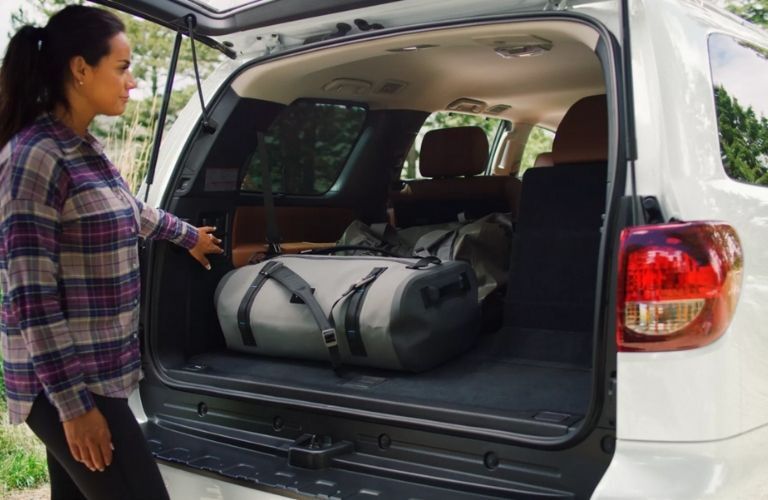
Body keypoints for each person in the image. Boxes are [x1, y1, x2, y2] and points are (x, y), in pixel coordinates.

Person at [0, 5, 224, 499]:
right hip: (67, 384)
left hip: (98, 374)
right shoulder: (34, 157)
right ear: (81, 69)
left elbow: (128, 209)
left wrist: (188, 235)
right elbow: (29, 300)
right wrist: (74, 409)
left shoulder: (84, 147)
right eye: (122, 68)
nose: (131, 82)